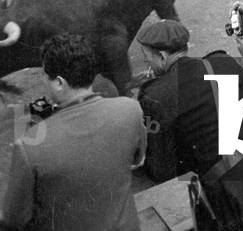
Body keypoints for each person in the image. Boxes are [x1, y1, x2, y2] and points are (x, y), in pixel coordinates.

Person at [136, 19, 243, 231]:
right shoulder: (222, 62)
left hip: (229, 209)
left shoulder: (154, 95)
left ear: (162, 56)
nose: (147, 65)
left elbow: (161, 171)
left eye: (147, 58)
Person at [0, 34, 145, 231]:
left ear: (59, 82)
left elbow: (13, 219)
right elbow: (137, 161)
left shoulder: (28, 148)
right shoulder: (131, 109)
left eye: (46, 76)